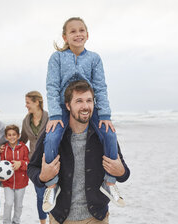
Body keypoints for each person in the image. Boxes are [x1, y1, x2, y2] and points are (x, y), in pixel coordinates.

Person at [43, 17, 124, 212]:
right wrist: (55, 115)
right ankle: (52, 186)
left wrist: (104, 114)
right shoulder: (57, 58)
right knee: (52, 137)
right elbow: (52, 87)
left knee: (109, 134)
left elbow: (100, 87)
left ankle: (109, 183)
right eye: (73, 31)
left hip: (89, 106)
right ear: (65, 36)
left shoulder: (94, 58)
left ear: (87, 35)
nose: (78, 34)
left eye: (81, 30)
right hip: (64, 107)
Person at [28, 80, 130, 224]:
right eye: (79, 101)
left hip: (97, 218)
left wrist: (121, 171)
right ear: (68, 105)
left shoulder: (103, 134)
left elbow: (124, 173)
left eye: (89, 100)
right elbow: (31, 168)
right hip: (60, 219)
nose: (85, 106)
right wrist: (43, 177)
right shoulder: (52, 134)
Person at [20, 91, 49, 224]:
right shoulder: (26, 121)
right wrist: (6, 146)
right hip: (35, 164)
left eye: (28, 102)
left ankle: (53, 220)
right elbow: (22, 140)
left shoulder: (50, 117)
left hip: (51, 161)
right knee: (40, 195)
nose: (26, 105)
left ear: (37, 102)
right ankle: (43, 222)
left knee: (52, 194)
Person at [0, 125, 29, 224]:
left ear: (18, 135)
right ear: (6, 137)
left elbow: (28, 164)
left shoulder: (24, 148)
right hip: (8, 182)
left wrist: (20, 163)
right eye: (9, 135)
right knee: (8, 203)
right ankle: (6, 222)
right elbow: (1, 164)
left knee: (18, 205)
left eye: (14, 135)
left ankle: (16, 221)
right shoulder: (4, 149)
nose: (12, 137)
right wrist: (0, 176)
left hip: (21, 182)